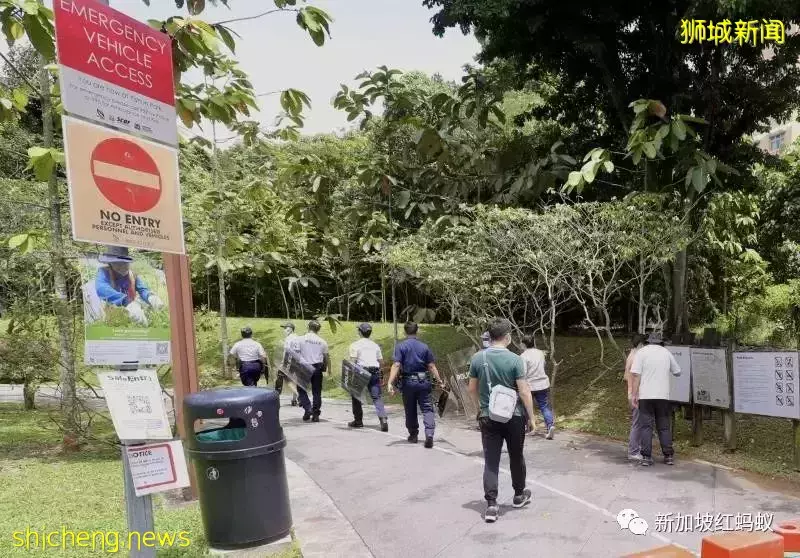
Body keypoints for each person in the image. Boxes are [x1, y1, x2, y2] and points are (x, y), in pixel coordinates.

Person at [468, 319, 536, 523]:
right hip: (514, 416)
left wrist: (480, 408)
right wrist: (532, 417)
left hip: (488, 417)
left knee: (491, 460)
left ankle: (491, 505)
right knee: (516, 456)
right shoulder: (516, 360)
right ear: (507, 337)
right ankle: (518, 495)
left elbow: (472, 389)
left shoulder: (478, 358)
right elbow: (524, 391)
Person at [387, 321, 445, 448]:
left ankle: (413, 435)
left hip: (408, 382)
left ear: (404, 332)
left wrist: (390, 382)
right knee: (427, 409)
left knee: (410, 409)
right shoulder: (424, 347)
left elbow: (396, 365)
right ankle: (429, 434)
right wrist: (439, 380)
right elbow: (431, 365)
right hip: (424, 382)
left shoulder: (401, 346)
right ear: (417, 331)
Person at [629, 332, 682, 467]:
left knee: (646, 427)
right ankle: (668, 456)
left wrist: (634, 395)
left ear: (648, 341)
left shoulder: (642, 353)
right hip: (663, 396)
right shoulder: (666, 353)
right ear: (660, 342)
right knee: (664, 427)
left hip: (645, 396)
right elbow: (678, 372)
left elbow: (635, 376)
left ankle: (646, 457)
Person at [94, 247, 163, 326]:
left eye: (124, 263)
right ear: (111, 263)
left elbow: (142, 289)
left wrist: (150, 297)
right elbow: (101, 288)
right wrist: (126, 301)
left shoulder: (132, 275)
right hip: (112, 316)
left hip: (133, 316)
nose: (122, 266)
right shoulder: (104, 273)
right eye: (118, 263)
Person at [347, 323, 389, 432]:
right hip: (374, 371)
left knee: (356, 396)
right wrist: (381, 375)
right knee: (377, 397)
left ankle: (358, 421)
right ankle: (383, 419)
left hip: (361, 371)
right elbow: (381, 362)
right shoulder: (375, 345)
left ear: (360, 332)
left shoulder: (355, 345)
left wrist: (350, 376)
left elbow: (353, 362)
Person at [520, 334, 554, 440]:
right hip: (543, 383)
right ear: (533, 342)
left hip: (530, 385)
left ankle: (530, 428)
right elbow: (542, 365)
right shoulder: (540, 353)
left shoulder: (523, 356)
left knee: (527, 407)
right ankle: (550, 426)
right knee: (544, 406)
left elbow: (523, 372)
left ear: (523, 344)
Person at [297, 320, 329, 422]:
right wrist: (326, 368)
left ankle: (307, 408)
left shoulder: (300, 339)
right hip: (317, 368)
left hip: (304, 366)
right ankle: (315, 414)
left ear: (308, 327)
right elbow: (326, 357)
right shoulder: (322, 342)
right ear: (318, 329)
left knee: (301, 389)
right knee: (317, 392)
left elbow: (296, 353)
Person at [623, 333, 645, 460]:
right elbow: (636, 377)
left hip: (631, 394)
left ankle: (637, 449)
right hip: (636, 395)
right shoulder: (637, 357)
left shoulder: (631, 355)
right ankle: (633, 451)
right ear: (641, 344)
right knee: (637, 424)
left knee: (638, 423)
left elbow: (626, 377)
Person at [274, 322, 299, 407]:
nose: (284, 330)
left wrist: (283, 363)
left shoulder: (289, 338)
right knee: (294, 380)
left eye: (285, 328)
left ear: (291, 329)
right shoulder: (298, 337)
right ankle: (294, 399)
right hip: (297, 362)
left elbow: (287, 352)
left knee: (280, 378)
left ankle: (276, 399)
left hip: (288, 361)